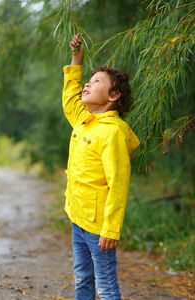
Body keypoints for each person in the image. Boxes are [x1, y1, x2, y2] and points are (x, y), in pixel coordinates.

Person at [62, 34, 140, 300]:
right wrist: (76, 60)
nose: (87, 83)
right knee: (82, 278)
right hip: (78, 218)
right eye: (88, 80)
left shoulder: (113, 133)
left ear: (113, 95)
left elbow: (118, 182)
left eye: (96, 82)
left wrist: (111, 229)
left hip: (98, 226)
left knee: (105, 285)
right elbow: (70, 100)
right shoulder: (84, 120)